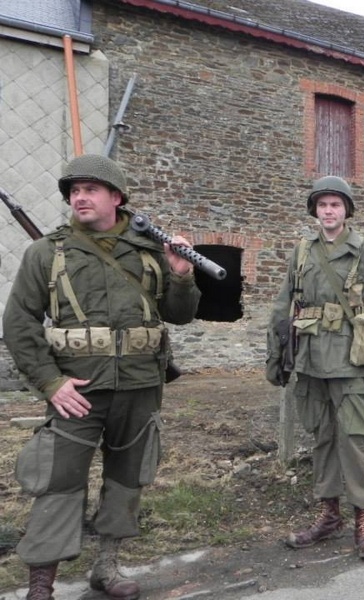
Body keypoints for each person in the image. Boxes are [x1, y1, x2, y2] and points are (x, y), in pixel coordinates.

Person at [4, 154, 201, 600]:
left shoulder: (151, 248)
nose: (79, 197)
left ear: (116, 197)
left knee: (127, 478)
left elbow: (179, 315)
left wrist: (182, 275)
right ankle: (41, 586)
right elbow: (18, 322)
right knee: (57, 482)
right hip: (78, 389)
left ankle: (106, 568)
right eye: (73, 191)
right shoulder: (46, 252)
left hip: (139, 385)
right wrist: (51, 383)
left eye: (90, 189)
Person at [266, 175, 364, 560]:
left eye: (335, 205)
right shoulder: (302, 252)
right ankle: (329, 515)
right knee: (322, 439)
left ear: (346, 211)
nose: (328, 211)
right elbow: (282, 306)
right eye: (322, 205)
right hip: (309, 361)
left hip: (351, 361)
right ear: (315, 211)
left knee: (353, 442)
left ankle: (363, 521)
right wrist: (276, 356)